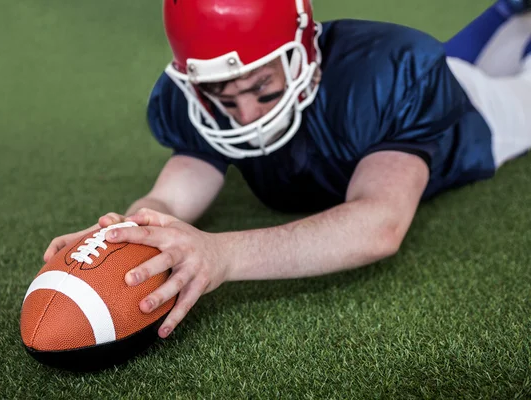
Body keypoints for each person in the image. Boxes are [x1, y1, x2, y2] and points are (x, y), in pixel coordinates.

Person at [44, 0, 531, 339]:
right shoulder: (202, 100)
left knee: (502, 72)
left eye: (263, 89)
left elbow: (379, 222)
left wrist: (223, 253)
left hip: (479, 114)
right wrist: (132, 228)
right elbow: (172, 195)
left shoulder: (391, 71)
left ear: (307, 56)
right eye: (223, 97)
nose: (247, 117)